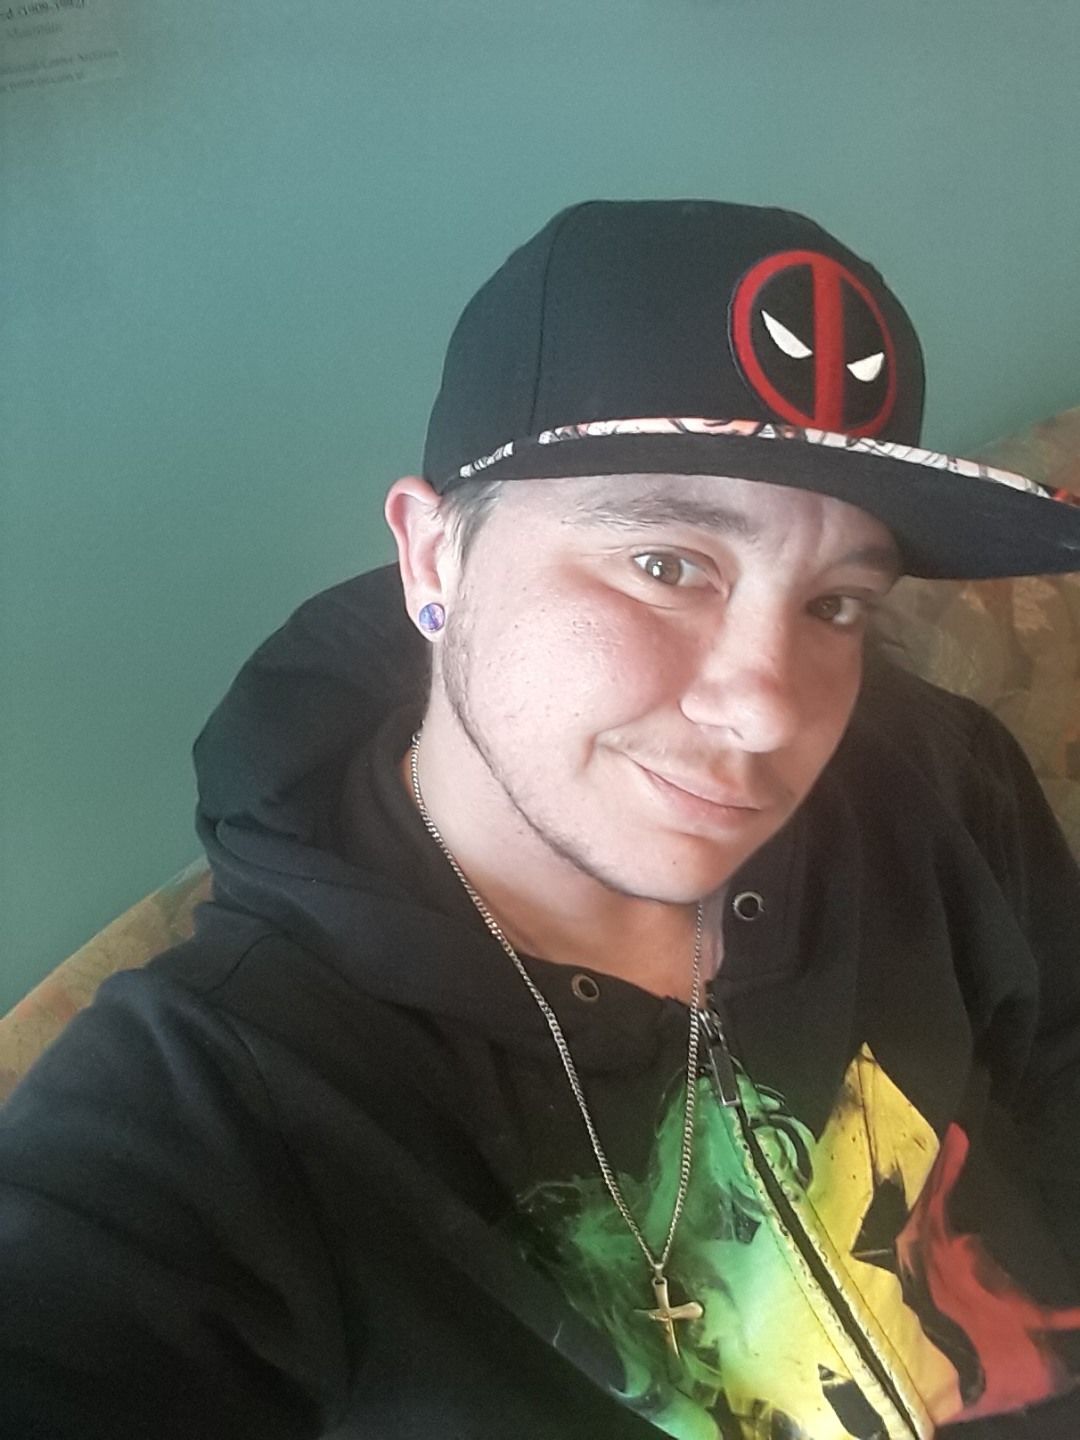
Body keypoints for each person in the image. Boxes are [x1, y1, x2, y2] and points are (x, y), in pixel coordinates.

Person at [2, 200, 1080, 1440]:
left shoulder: (938, 780)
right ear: (434, 560)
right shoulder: (221, 1110)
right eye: (667, 564)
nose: (766, 708)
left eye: (835, 604)